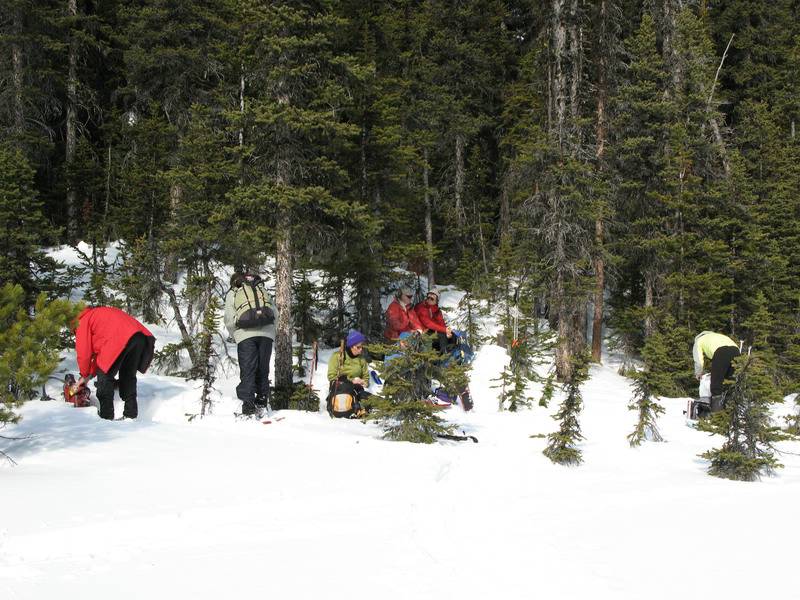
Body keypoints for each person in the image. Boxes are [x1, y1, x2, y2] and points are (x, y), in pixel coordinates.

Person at [74, 306, 156, 420]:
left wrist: (84, 375)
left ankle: (106, 418)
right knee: (128, 376)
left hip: (119, 338)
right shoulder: (98, 314)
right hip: (138, 337)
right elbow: (99, 357)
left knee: (104, 378)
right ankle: (130, 415)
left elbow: (84, 353)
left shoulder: (83, 320)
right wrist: (89, 375)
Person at [225, 272, 277, 416]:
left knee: (248, 370)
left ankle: (248, 407)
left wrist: (236, 335)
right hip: (266, 334)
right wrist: (271, 332)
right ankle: (262, 403)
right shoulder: (261, 288)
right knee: (263, 369)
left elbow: (229, 318)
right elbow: (274, 312)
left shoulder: (234, 292)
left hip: (245, 334)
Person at [326, 330, 371, 417]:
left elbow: (366, 377)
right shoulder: (337, 356)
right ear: (351, 346)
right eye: (358, 347)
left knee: (369, 398)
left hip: (357, 389)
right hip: (341, 388)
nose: (361, 349)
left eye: (362, 347)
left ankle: (361, 410)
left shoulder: (361, 359)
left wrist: (364, 382)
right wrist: (352, 381)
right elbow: (331, 376)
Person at [693, 331, 740, 413]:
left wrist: (698, 373)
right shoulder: (717, 335)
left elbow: (699, 360)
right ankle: (729, 412)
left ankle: (716, 414)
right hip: (736, 351)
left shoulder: (699, 341)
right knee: (730, 383)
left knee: (716, 383)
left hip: (721, 351)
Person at [413, 288, 455, 354]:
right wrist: (444, 330)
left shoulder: (436, 309)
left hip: (428, 330)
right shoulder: (421, 307)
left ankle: (449, 352)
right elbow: (428, 323)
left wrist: (447, 332)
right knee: (442, 335)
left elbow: (441, 322)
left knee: (451, 335)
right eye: (428, 297)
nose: (429, 299)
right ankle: (443, 355)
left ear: (437, 300)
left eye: (432, 298)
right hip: (420, 332)